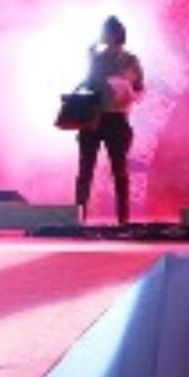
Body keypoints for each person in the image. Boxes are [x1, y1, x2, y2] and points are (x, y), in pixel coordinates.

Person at [75, 15, 145, 225]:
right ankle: (79, 215)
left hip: (117, 117)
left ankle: (123, 218)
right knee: (85, 168)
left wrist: (129, 92)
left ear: (116, 34)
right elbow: (89, 82)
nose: (102, 35)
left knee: (119, 170)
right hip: (94, 117)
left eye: (106, 31)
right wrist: (89, 60)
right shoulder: (96, 58)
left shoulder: (130, 60)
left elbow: (140, 89)